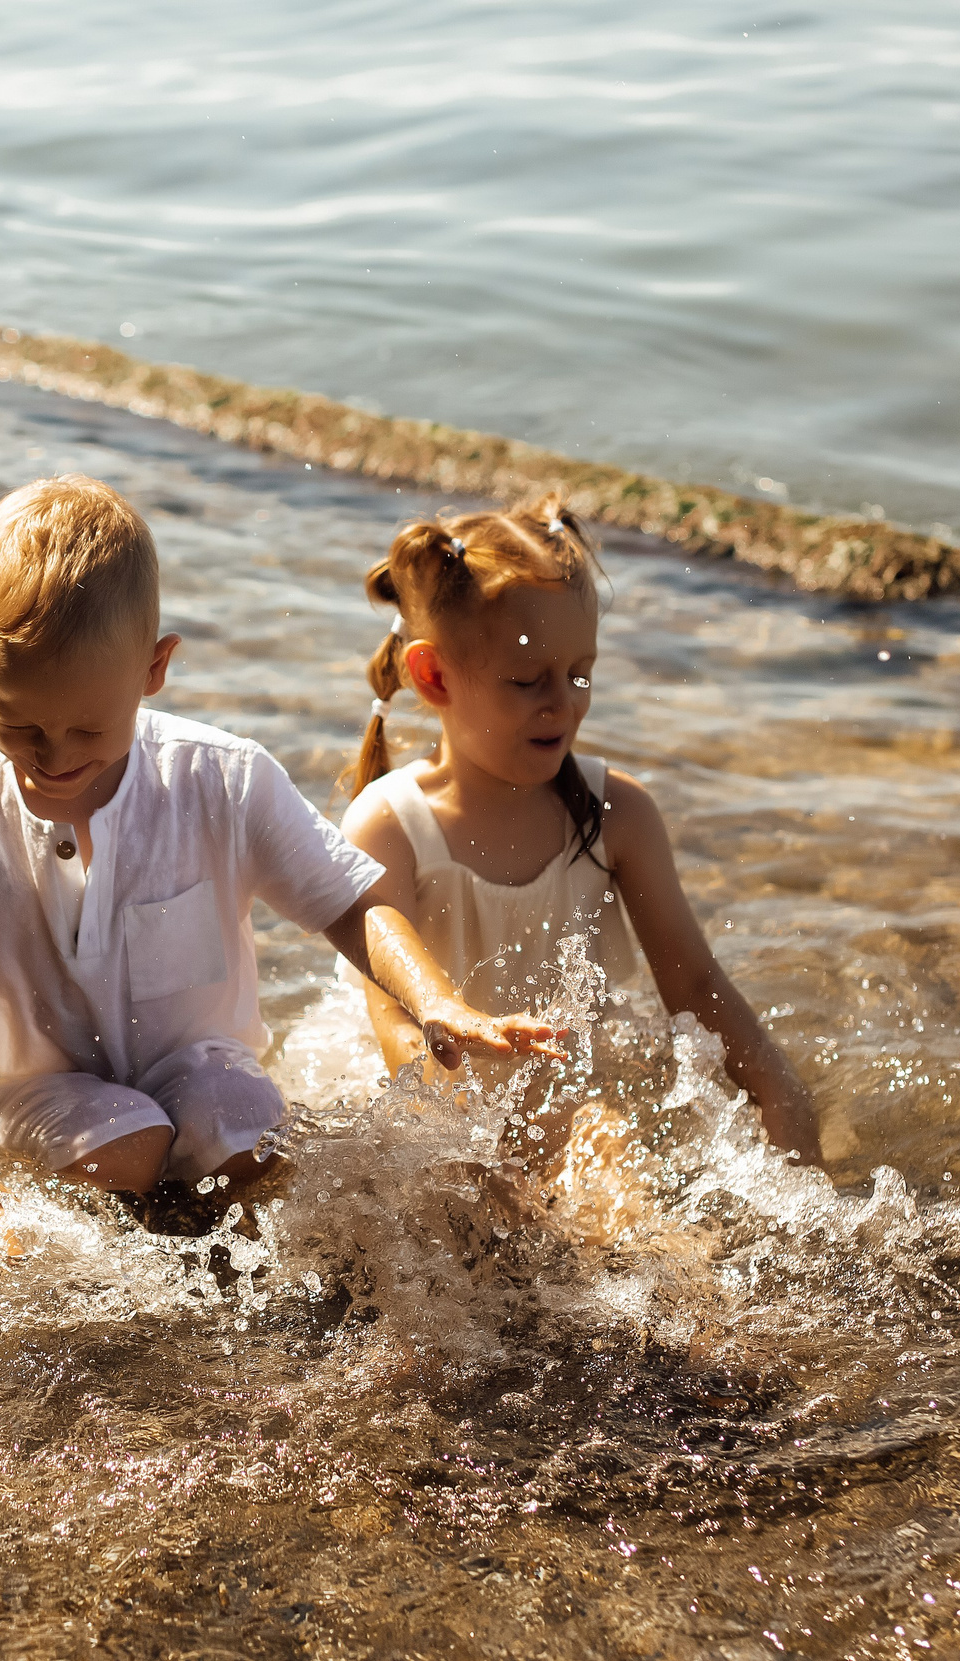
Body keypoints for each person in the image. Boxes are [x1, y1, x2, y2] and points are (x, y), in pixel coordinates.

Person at [0, 475, 563, 1268]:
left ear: (154, 667)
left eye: (88, 729)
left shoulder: (221, 778)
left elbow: (353, 905)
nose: (53, 757)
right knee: (129, 1141)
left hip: (201, 1072)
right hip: (36, 1098)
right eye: (18, 722)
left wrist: (436, 999)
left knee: (247, 1126)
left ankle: (227, 1265)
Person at [338, 493, 822, 1168]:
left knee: (602, 1139)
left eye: (580, 674)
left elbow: (694, 984)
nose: (563, 703)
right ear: (434, 675)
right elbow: (395, 1022)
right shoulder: (389, 826)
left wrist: (778, 1089)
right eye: (527, 680)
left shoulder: (616, 813)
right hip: (436, 1104)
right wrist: (471, 1152)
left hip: (577, 1098)